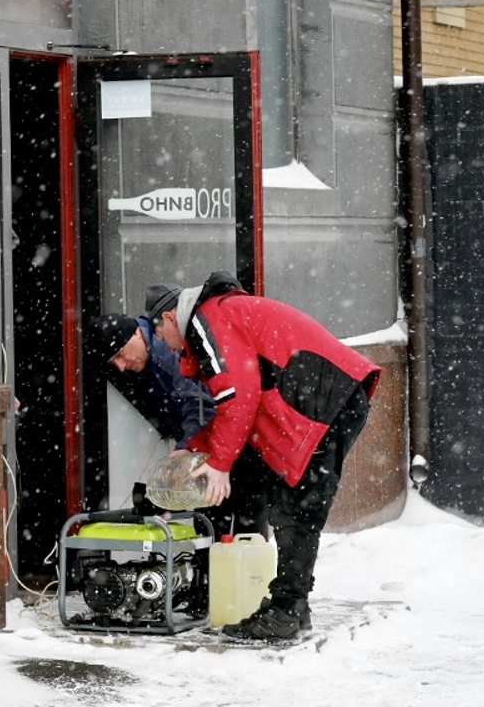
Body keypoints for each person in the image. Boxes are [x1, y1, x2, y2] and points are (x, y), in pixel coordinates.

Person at [148, 271, 381, 641]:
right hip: (324, 397)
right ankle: (292, 607)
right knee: (293, 505)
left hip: (322, 398)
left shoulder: (208, 318)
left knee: (299, 508)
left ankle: (287, 611)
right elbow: (235, 403)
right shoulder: (220, 313)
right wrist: (196, 448)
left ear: (169, 317)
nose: (164, 342)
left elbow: (237, 394)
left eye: (160, 333)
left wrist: (220, 465)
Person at [91, 311, 269, 537]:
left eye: (120, 354)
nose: (121, 366)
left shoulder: (166, 353)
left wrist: (186, 447)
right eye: (113, 361)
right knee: (216, 524)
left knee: (237, 525)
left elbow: (200, 405)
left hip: (233, 444)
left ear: (136, 334)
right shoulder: (143, 358)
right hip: (211, 446)